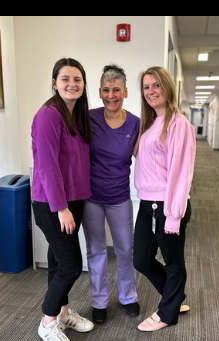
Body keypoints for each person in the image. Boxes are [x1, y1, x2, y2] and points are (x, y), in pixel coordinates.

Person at [31, 58, 95, 341]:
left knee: (58, 260)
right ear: (54, 82)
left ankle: (63, 313)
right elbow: (47, 166)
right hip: (52, 203)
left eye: (78, 79)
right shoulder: (48, 115)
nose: (72, 84)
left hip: (74, 200)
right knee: (70, 266)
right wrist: (61, 207)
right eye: (66, 79)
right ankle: (47, 322)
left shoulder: (76, 116)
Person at [132, 66, 196, 332]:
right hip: (147, 204)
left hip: (166, 206)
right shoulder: (149, 123)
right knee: (141, 260)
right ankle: (174, 297)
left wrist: (173, 213)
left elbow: (181, 174)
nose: (150, 92)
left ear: (167, 87)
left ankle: (167, 312)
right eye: (146, 87)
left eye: (155, 85)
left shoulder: (179, 124)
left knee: (173, 262)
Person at [82, 64, 140, 325]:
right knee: (95, 250)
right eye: (106, 89)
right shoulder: (88, 117)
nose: (111, 95)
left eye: (116, 89)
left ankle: (128, 296)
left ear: (125, 92)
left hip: (119, 198)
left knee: (125, 250)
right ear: (99, 91)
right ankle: (99, 301)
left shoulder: (136, 123)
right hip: (91, 198)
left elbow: (148, 157)